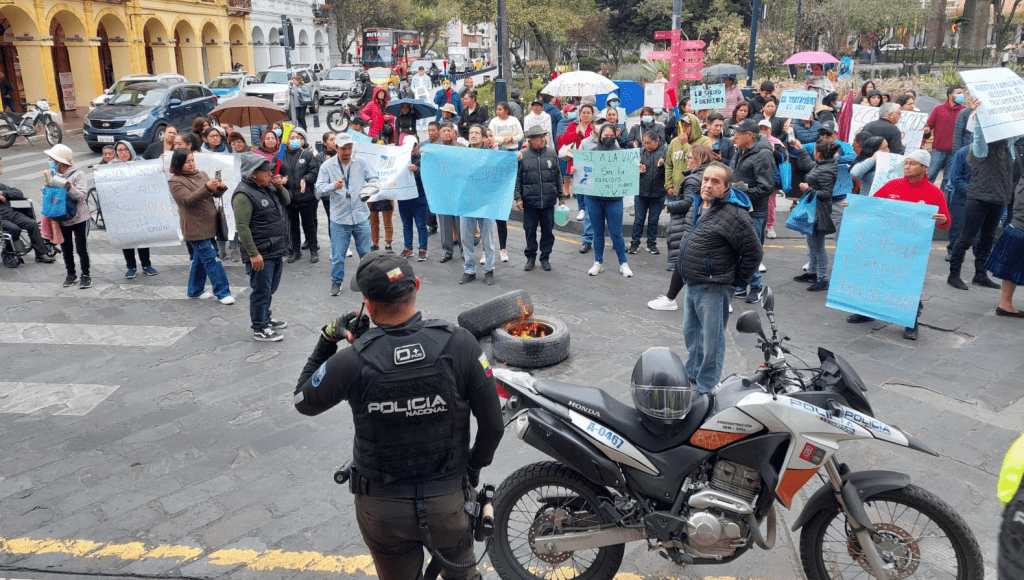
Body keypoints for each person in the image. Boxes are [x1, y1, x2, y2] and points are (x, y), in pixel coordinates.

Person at [292, 251, 503, 580]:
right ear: (416, 286)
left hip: (382, 508)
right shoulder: (460, 345)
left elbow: (302, 399)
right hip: (448, 501)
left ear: (367, 304)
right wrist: (471, 470)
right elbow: (493, 425)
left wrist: (329, 336)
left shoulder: (353, 361)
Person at [678, 162, 763, 392]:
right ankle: (692, 373)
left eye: (715, 181)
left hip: (714, 287)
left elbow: (753, 252)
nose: (707, 184)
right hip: (692, 283)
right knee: (692, 335)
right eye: (706, 179)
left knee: (712, 341)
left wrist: (737, 282)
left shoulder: (735, 214)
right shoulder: (696, 204)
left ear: (726, 187)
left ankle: (707, 385)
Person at [847, 149, 950, 340]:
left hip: (912, 248)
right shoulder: (892, 185)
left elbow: (945, 223)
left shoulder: (934, 193)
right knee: (875, 277)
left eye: (912, 164)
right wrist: (854, 206)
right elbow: (872, 206)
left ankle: (910, 320)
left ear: (925, 168)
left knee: (908, 283)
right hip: (886, 243)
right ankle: (866, 311)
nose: (907, 167)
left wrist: (943, 220)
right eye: (906, 163)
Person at [948, 112, 1015, 292]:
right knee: (966, 238)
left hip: (998, 200)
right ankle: (954, 274)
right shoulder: (981, 149)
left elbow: (1017, 131)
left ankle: (980, 274)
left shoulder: (1008, 150)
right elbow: (978, 134)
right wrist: (979, 116)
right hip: (978, 199)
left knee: (987, 239)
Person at [233, 153, 291, 341]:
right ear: (253, 174)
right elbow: (242, 227)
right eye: (266, 172)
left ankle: (266, 316)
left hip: (274, 247)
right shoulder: (243, 195)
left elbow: (287, 201)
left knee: (270, 288)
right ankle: (259, 326)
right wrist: (253, 253)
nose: (270, 174)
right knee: (261, 290)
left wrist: (279, 186)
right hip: (261, 252)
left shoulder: (268, 187)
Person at [649, 145, 714, 309]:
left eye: (690, 158)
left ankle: (671, 299)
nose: (687, 160)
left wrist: (670, 206)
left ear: (698, 160)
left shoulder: (693, 179)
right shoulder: (707, 176)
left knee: (684, 261)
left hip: (692, 225)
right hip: (703, 225)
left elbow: (688, 203)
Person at [168, 148, 234, 304]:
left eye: (192, 160)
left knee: (200, 259)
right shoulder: (175, 181)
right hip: (194, 226)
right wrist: (207, 188)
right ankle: (223, 292)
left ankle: (195, 290)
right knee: (212, 258)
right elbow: (187, 200)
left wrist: (220, 188)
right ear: (179, 163)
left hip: (209, 223)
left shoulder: (201, 173)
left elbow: (214, 194)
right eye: (187, 162)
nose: (191, 164)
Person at [315, 132, 374, 297]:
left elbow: (373, 177)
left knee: (366, 253)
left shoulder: (360, 162)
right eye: (343, 149)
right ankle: (336, 281)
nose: (347, 152)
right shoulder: (327, 167)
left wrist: (373, 185)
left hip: (360, 215)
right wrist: (332, 186)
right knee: (338, 255)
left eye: (349, 148)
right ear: (336, 148)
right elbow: (318, 189)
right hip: (339, 218)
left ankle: (367, 280)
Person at [729, 118, 775, 303]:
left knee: (751, 250)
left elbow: (766, 187)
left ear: (750, 136)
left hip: (755, 212)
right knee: (737, 249)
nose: (734, 137)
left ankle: (755, 287)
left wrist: (741, 191)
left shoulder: (763, 155)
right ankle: (740, 286)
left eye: (738, 134)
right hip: (739, 208)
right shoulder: (740, 150)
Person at [579, 124, 632, 278]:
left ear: (615, 137)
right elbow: (584, 174)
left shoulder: (621, 154)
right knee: (598, 233)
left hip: (614, 200)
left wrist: (637, 170)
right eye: (605, 135)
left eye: (611, 135)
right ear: (599, 136)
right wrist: (577, 171)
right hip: (594, 200)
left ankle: (623, 263)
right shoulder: (591, 154)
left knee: (616, 233)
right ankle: (598, 262)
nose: (608, 138)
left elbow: (627, 174)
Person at [789, 138, 840, 291]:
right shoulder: (824, 165)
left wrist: (807, 189)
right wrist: (800, 149)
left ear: (818, 154)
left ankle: (823, 278)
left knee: (817, 246)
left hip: (819, 212)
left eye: (813, 152)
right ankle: (812, 273)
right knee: (812, 243)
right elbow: (810, 166)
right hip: (814, 209)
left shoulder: (826, 170)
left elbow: (826, 193)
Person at [515, 125, 565, 272]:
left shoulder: (551, 153)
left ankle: (545, 257)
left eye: (544, 136)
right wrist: (518, 197)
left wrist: (561, 196)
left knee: (548, 232)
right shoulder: (522, 155)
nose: (543, 139)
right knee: (529, 231)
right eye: (539, 137)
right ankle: (530, 257)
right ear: (531, 140)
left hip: (548, 201)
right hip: (530, 202)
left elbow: (558, 176)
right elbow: (517, 179)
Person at [43, 145, 91, 288]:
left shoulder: (78, 174)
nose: (50, 161)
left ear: (60, 161)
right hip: (62, 219)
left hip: (79, 218)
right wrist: (47, 188)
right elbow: (47, 197)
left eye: (52, 159)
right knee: (66, 249)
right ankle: (71, 274)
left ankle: (86, 275)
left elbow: (82, 196)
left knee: (82, 249)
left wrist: (69, 187)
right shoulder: (53, 175)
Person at [111, 140, 159, 279]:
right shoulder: (110, 167)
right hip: (122, 210)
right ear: (116, 152)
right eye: (120, 150)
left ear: (131, 150)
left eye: (126, 149)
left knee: (142, 237)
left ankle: (146, 264)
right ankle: (130, 266)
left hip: (140, 207)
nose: (123, 152)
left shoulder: (140, 163)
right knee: (127, 238)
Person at [558, 104, 597, 253]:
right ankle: (581, 208)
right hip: (576, 161)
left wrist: (586, 133)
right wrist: (576, 132)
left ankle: (585, 209)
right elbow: (564, 141)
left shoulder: (595, 127)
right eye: (584, 113)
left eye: (588, 113)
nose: (586, 115)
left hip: (591, 163)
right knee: (578, 184)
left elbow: (594, 142)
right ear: (579, 114)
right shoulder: (572, 125)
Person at [985, 180, 1024, 317]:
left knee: (1011, 270)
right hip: (1020, 229)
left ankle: (1005, 304)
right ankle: (1005, 305)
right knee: (1012, 270)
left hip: (1017, 228)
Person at [280, 127, 318, 264]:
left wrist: (305, 179)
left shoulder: (306, 154)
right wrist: (280, 179)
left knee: (309, 224)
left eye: (297, 137)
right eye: (292, 138)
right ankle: (296, 251)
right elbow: (274, 171)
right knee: (294, 226)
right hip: (289, 197)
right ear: (285, 140)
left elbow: (314, 171)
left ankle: (314, 249)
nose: (295, 140)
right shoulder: (280, 155)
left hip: (306, 196)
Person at [629, 130, 667, 255]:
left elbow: (669, 172)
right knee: (639, 219)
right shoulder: (639, 153)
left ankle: (651, 243)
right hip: (641, 192)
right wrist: (637, 170)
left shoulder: (664, 152)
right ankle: (635, 243)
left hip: (658, 192)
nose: (647, 146)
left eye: (649, 143)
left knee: (653, 220)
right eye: (644, 143)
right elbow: (629, 172)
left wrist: (662, 166)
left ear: (657, 141)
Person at [923, 85, 966, 190]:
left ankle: (943, 201)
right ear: (950, 96)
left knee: (948, 180)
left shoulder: (965, 111)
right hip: (938, 150)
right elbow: (928, 125)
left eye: (962, 93)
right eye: (959, 93)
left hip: (955, 152)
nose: (962, 95)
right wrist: (926, 132)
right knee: (930, 175)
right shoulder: (938, 109)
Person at [0, 183, 56, 263]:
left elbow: (18, 193)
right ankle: (10, 250)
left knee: (32, 224)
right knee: (14, 229)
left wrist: (2, 193)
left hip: (10, 213)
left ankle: (41, 254)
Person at [435, 122, 465, 263]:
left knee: (462, 224)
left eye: (449, 130)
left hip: (459, 191)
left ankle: (465, 251)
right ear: (439, 134)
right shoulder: (434, 150)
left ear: (454, 133)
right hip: (442, 191)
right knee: (445, 222)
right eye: (444, 131)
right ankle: (447, 251)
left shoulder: (462, 148)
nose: (446, 133)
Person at [401, 139, 429, 262]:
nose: (413, 149)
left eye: (415, 146)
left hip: (419, 196)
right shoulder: (399, 158)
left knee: (421, 224)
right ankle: (408, 248)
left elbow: (429, 173)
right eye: (410, 146)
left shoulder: (424, 157)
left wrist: (417, 169)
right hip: (403, 196)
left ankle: (423, 249)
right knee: (406, 224)